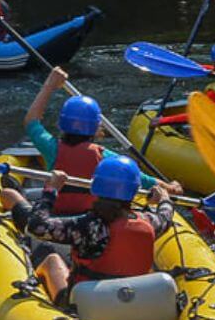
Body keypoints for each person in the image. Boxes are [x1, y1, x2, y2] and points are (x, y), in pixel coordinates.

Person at [0, 155, 174, 306]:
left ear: (95, 187)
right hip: (136, 303)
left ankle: (40, 293)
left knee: (51, 258)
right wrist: (165, 199)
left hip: (87, 307)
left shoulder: (88, 226)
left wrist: (51, 190)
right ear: (134, 191)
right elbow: (165, 216)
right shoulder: (149, 222)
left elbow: (36, 226)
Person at [22, 66, 181, 214]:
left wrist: (49, 85)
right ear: (95, 128)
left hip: (54, 213)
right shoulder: (105, 157)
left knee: (10, 194)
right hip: (87, 221)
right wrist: (172, 188)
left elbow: (31, 121)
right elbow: (145, 180)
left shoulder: (52, 148)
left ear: (62, 122)